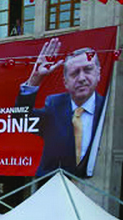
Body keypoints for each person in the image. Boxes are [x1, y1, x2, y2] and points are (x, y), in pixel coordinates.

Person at [16, 39, 106, 178]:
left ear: (99, 73)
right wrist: (35, 79)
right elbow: (20, 119)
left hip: (93, 184)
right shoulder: (54, 105)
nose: (82, 78)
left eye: (88, 70)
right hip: (54, 184)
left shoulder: (107, 107)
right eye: (75, 73)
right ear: (65, 82)